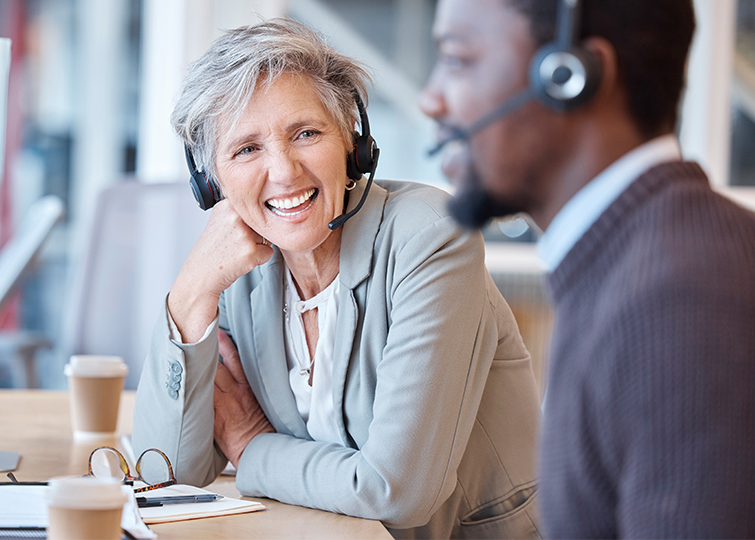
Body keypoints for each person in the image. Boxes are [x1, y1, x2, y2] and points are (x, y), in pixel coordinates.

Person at [134, 18, 542, 539]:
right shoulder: (236, 272)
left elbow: (398, 493)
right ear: (209, 181)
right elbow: (161, 478)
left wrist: (250, 445)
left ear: (353, 144)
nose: (283, 172)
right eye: (246, 149)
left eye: (306, 133)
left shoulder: (431, 239)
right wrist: (191, 293)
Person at [421, 0, 755, 537]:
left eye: (459, 60)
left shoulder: (677, 302)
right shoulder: (635, 262)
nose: (429, 98)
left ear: (569, 75)